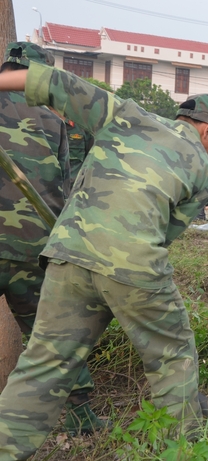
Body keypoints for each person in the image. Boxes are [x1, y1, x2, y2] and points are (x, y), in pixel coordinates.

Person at [0, 51, 208, 460]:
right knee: (172, 356)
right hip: (131, 263)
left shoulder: (127, 115)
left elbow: (57, 84)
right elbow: (165, 236)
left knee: (43, 363)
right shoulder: (201, 169)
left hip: (67, 254)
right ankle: (182, 452)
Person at [0, 41, 106, 436]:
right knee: (53, 337)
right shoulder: (52, 118)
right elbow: (64, 184)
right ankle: (82, 418)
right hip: (35, 245)